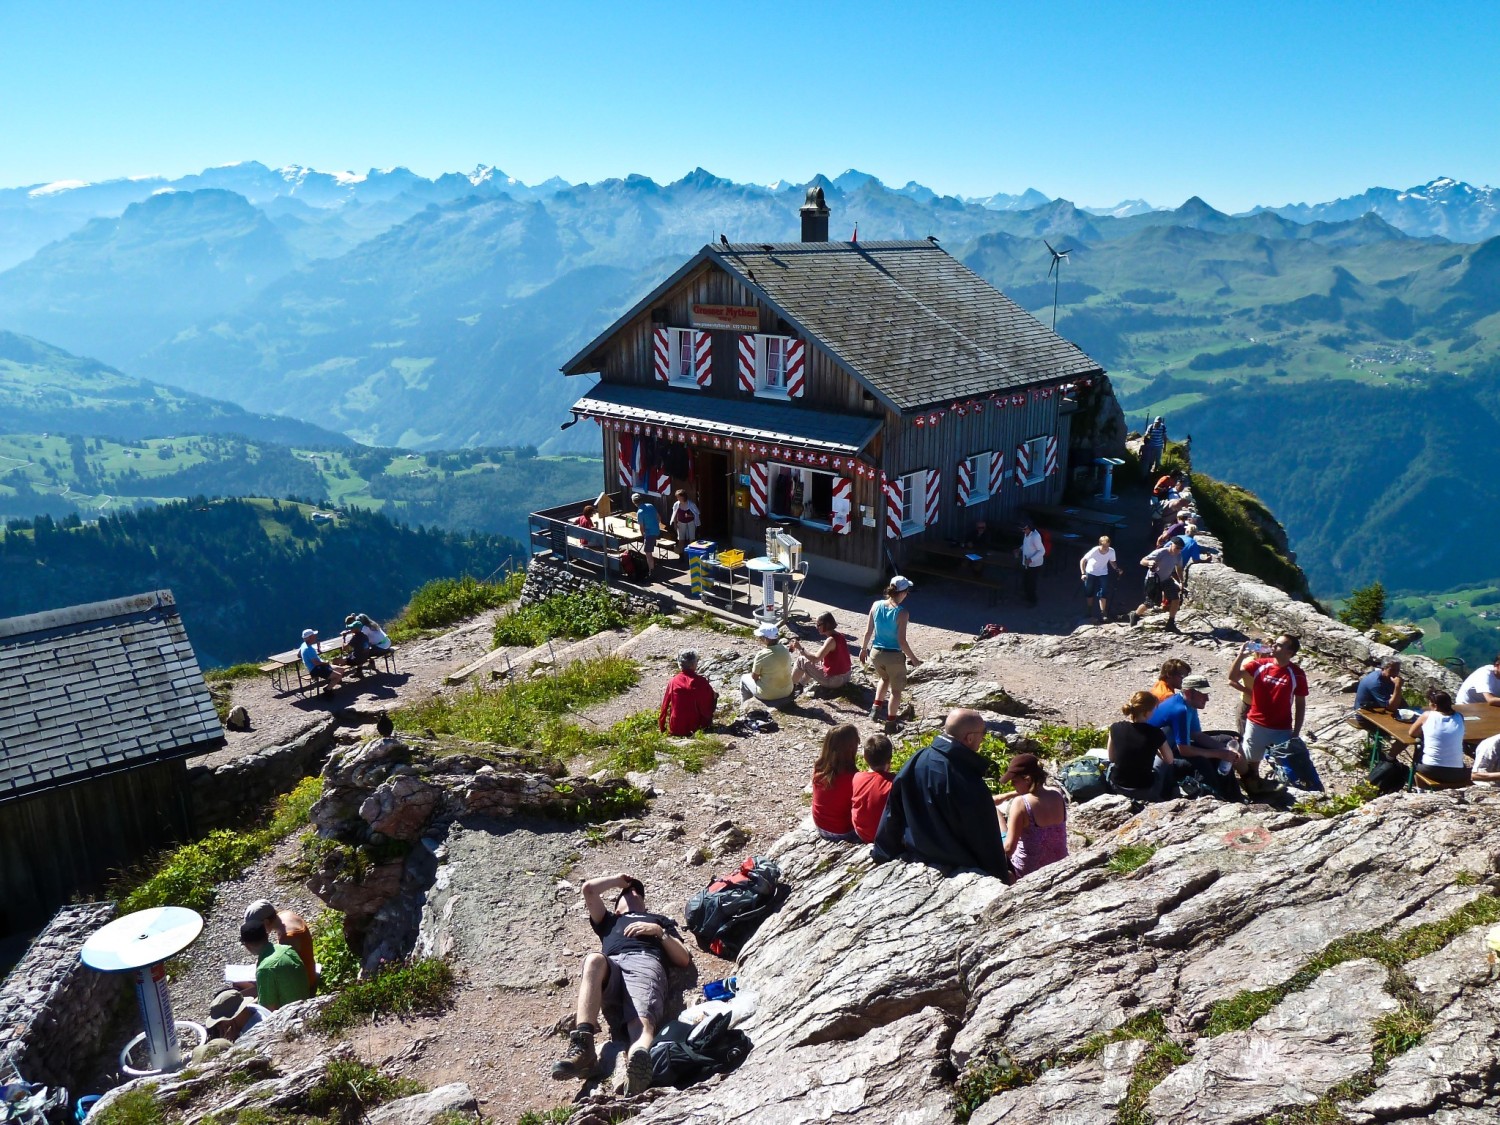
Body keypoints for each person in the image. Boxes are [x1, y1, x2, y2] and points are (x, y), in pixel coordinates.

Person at [551, 874, 693, 1094]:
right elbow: (589, 889)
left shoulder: (658, 920)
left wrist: (658, 932)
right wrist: (620, 882)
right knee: (593, 959)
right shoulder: (609, 921)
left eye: (639, 893)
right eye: (627, 893)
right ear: (617, 908)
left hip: (645, 962)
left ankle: (639, 1064)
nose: (634, 893)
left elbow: (683, 958)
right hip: (613, 965)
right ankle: (583, 1046)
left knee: (640, 1023)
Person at [872, 708, 1014, 883]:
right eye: (983, 733)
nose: (984, 738)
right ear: (969, 738)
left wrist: (883, 853)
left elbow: (893, 812)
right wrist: (1002, 875)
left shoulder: (918, 758)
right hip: (959, 865)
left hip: (918, 854)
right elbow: (985, 839)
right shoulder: (967, 780)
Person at [1228, 634, 1308, 794]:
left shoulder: (1297, 673)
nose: (1273, 646)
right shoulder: (1259, 664)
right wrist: (1240, 655)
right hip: (1256, 724)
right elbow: (1233, 677)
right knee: (1252, 761)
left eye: (1278, 645)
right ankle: (1254, 787)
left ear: (1289, 652)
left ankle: (1288, 792)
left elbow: (1300, 704)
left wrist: (1296, 732)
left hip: (1282, 727)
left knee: (1285, 763)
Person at [1149, 674, 1245, 782]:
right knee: (1204, 762)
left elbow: (1197, 735)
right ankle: (1219, 794)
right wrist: (1218, 753)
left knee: (1229, 740)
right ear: (1189, 693)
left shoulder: (1188, 703)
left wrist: (1224, 748)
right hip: (1158, 758)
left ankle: (1248, 779)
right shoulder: (1180, 710)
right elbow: (1185, 750)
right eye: (1203, 694)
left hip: (1172, 748)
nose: (1207, 699)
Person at [860, 577, 923, 727]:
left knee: (884, 678)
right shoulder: (902, 613)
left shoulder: (876, 605)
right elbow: (902, 641)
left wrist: (863, 649)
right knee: (896, 691)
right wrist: (914, 659)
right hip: (893, 656)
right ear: (903, 593)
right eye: (907, 592)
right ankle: (891, 723)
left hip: (875, 653)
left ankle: (875, 709)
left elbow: (868, 631)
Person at [994, 753, 1068, 878]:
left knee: (995, 811)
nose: (1013, 785)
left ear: (1027, 779)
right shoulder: (1057, 794)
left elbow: (1008, 849)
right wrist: (1011, 794)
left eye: (1014, 782)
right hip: (1060, 865)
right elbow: (1038, 791)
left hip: (1027, 871)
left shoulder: (1021, 803)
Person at [1108, 690, 1183, 801]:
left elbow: (1111, 758)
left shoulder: (1115, 727)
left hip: (1117, 786)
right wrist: (1155, 750)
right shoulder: (1156, 733)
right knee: (1166, 767)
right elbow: (1169, 760)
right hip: (1143, 789)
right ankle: (1169, 793)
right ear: (1146, 713)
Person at [244, 899, 317, 993]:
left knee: (250, 986)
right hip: (303, 972)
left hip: (305, 983)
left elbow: (281, 968)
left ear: (266, 922)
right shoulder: (285, 915)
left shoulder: (288, 938)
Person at [239, 919, 310, 1011]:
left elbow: (267, 1009)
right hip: (307, 1004)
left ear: (247, 945)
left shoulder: (265, 970)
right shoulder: (287, 949)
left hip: (290, 1015)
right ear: (267, 935)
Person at [810, 724, 862, 842]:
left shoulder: (820, 766)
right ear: (851, 747)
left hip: (820, 825)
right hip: (841, 832)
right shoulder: (854, 778)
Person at [1408, 690, 1470, 787]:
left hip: (1430, 769)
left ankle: (1420, 790)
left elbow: (1412, 733)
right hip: (1456, 772)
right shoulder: (1459, 716)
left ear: (1435, 706)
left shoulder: (1427, 715)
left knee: (1416, 760)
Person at [1128, 539, 1183, 632]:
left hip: (1166, 579)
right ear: (1171, 545)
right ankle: (1135, 615)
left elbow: (1179, 568)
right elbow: (1142, 561)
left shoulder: (1178, 556)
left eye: (1180, 549)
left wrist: (1181, 581)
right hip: (1153, 580)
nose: (1178, 550)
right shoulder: (1160, 552)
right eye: (1177, 547)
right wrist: (1149, 563)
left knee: (1175, 599)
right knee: (1150, 603)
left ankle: (1171, 623)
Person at [790, 612, 853, 693]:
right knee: (810, 658)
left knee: (801, 660)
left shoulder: (830, 640)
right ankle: (800, 685)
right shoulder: (840, 636)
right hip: (846, 676)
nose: (816, 627)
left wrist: (800, 648)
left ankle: (789, 688)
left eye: (818, 625)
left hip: (835, 681)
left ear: (826, 625)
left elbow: (815, 659)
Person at [658, 650, 717, 736]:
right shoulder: (701, 681)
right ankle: (706, 724)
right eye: (697, 661)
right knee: (713, 696)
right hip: (696, 727)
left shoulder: (673, 681)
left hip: (676, 728)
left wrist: (662, 726)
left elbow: (664, 706)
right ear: (693, 665)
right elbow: (710, 698)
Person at [851, 734, 895, 844]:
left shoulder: (857, 777)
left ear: (865, 758)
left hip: (861, 833)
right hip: (884, 836)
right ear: (890, 759)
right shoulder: (895, 782)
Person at [740, 623, 794, 705]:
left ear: (766, 639)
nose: (759, 639)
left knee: (744, 678)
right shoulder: (785, 649)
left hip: (768, 695)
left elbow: (754, 677)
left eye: (761, 637)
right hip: (787, 690)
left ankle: (745, 705)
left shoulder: (761, 654)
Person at [1079, 535, 1121, 622]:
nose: (1106, 549)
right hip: (1091, 572)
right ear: (1100, 544)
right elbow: (1083, 560)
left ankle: (1103, 613)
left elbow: (1112, 561)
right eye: (1104, 546)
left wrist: (1117, 569)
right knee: (1089, 591)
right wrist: (1083, 573)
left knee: (1103, 592)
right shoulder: (1094, 550)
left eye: (1107, 546)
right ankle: (1089, 610)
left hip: (1103, 572)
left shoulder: (1111, 551)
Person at [1016, 520, 1045, 606]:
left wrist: (1031, 559)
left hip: (1034, 564)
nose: (1023, 531)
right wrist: (1020, 549)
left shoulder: (1035, 536)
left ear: (1029, 528)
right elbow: (1026, 544)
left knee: (1031, 583)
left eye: (1024, 529)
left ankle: (1033, 601)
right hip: (1026, 562)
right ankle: (1027, 596)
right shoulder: (1026, 534)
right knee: (1025, 581)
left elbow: (1042, 551)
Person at [632, 493, 662, 559]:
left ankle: (651, 569)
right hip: (656, 531)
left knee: (648, 553)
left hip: (650, 534)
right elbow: (659, 518)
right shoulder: (650, 505)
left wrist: (643, 535)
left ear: (634, 502)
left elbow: (641, 527)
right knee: (648, 550)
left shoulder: (640, 512)